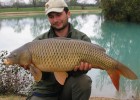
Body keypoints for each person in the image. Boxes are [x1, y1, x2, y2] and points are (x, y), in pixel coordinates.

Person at [27, 0, 92, 100]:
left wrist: (82, 69)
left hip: (69, 88)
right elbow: (40, 78)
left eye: (58, 14)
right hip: (46, 90)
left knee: (84, 81)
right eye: (51, 16)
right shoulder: (38, 42)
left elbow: (80, 75)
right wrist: (31, 67)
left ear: (68, 13)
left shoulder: (82, 39)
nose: (55, 20)